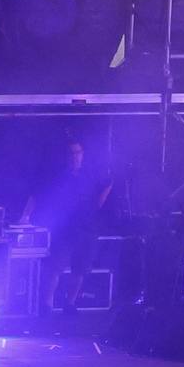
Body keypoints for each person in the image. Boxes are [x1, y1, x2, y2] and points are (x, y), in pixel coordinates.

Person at [22, 137, 114, 323]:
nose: (75, 156)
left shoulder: (90, 174)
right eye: (71, 153)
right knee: (54, 267)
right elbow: (37, 194)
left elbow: (108, 183)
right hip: (64, 229)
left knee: (80, 269)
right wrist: (26, 216)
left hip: (87, 229)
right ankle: (47, 305)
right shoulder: (58, 176)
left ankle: (70, 304)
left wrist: (98, 205)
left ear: (83, 154)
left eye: (78, 153)